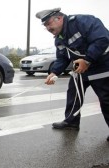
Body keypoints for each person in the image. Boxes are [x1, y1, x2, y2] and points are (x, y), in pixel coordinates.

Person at [36, 8, 109, 141]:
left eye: (48, 23)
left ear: (59, 18)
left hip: (101, 66)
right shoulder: (59, 39)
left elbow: (102, 39)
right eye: (45, 25)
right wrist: (54, 72)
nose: (47, 28)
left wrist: (87, 60)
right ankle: (71, 122)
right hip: (80, 69)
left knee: (106, 99)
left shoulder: (83, 21)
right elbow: (62, 58)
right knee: (73, 94)